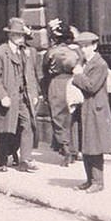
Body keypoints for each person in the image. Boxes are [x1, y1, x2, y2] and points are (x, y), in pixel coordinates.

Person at [0, 17, 39, 172]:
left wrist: (34, 93)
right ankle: (2, 161)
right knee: (5, 130)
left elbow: (31, 75)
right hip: (8, 97)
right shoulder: (0, 52)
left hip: (24, 98)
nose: (20, 38)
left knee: (27, 126)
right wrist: (2, 95)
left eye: (22, 35)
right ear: (10, 35)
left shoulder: (26, 52)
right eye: (17, 35)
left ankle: (25, 160)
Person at [71, 30, 111, 192]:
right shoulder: (84, 63)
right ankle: (89, 180)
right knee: (86, 145)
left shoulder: (100, 64)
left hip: (96, 109)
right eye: (81, 46)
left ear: (94, 46)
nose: (83, 50)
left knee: (95, 146)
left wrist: (78, 76)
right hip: (86, 109)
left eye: (86, 46)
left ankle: (98, 182)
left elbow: (91, 86)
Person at [42, 19, 82, 166]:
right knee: (72, 118)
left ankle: (66, 150)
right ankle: (74, 149)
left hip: (57, 84)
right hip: (73, 83)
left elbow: (45, 70)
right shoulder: (76, 51)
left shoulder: (52, 52)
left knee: (58, 118)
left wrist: (45, 91)